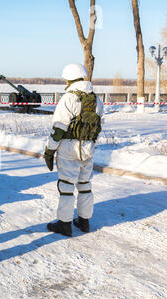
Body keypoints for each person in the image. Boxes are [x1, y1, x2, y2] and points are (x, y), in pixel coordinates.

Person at [44, 63, 104, 237]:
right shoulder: (96, 100)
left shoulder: (68, 98)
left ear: (68, 78)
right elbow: (98, 127)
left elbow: (58, 128)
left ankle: (65, 224)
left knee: (66, 186)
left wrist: (49, 151)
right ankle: (84, 222)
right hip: (88, 148)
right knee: (85, 184)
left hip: (68, 148)